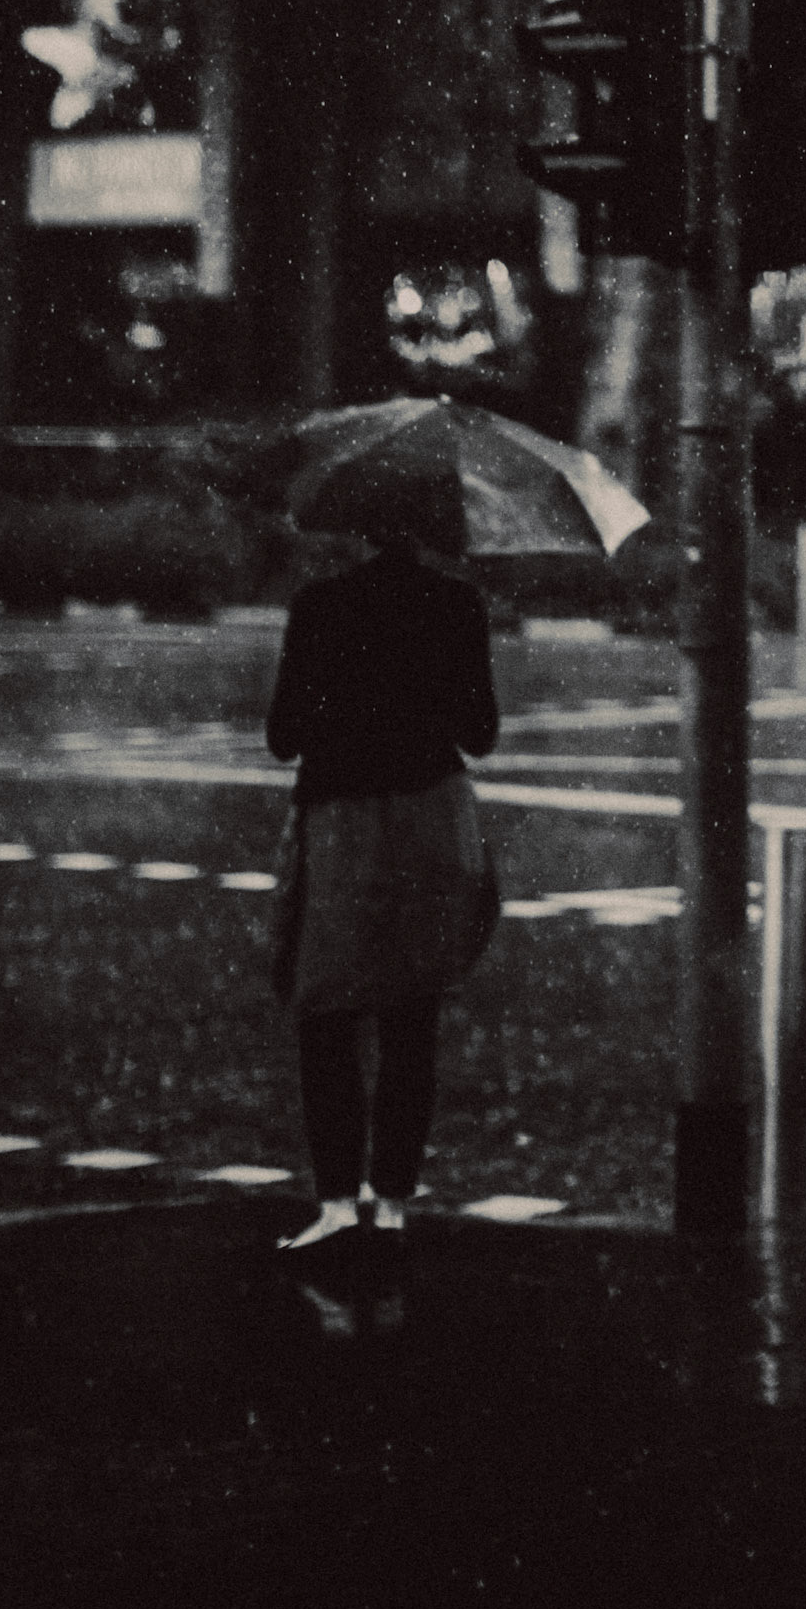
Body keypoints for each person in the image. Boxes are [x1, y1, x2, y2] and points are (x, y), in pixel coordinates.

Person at [266, 477, 500, 1252]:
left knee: (326, 1011)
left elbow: (284, 736)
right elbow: (481, 733)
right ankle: (393, 1199)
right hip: (431, 815)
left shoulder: (320, 605)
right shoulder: (456, 604)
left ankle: (335, 1201)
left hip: (340, 817)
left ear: (356, 526)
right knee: (412, 1012)